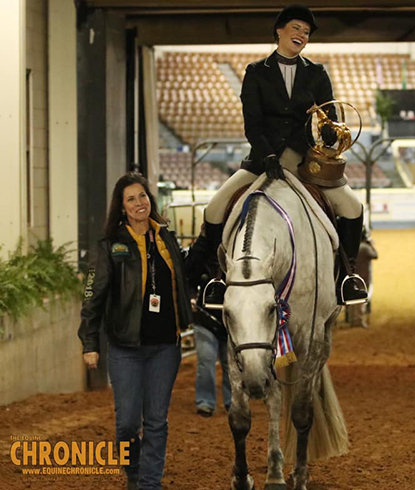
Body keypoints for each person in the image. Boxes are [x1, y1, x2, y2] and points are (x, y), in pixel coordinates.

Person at [201, 4, 367, 307]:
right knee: (214, 209)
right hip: (263, 159)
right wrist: (267, 157)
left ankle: (347, 276)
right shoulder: (255, 72)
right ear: (279, 30)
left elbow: (327, 115)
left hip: (304, 161)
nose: (301, 35)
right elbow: (252, 123)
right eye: (296, 28)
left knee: (354, 208)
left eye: (306, 32)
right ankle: (216, 278)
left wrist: (330, 133)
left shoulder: (317, 73)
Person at [78, 172, 192, 490]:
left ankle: (149, 484)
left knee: (156, 421)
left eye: (142, 196)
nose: (139, 203)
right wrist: (90, 342)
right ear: (123, 207)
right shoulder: (109, 247)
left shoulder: (167, 239)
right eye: (131, 199)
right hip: (125, 349)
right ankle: (133, 472)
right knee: (127, 422)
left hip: (165, 347)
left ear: (149, 201)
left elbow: (185, 274)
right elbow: (92, 298)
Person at [185, 232, 231, 417]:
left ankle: (232, 402)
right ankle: (205, 401)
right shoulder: (201, 251)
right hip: (205, 316)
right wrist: (190, 297)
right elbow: (189, 273)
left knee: (231, 364)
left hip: (231, 317)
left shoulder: (237, 246)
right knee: (206, 359)